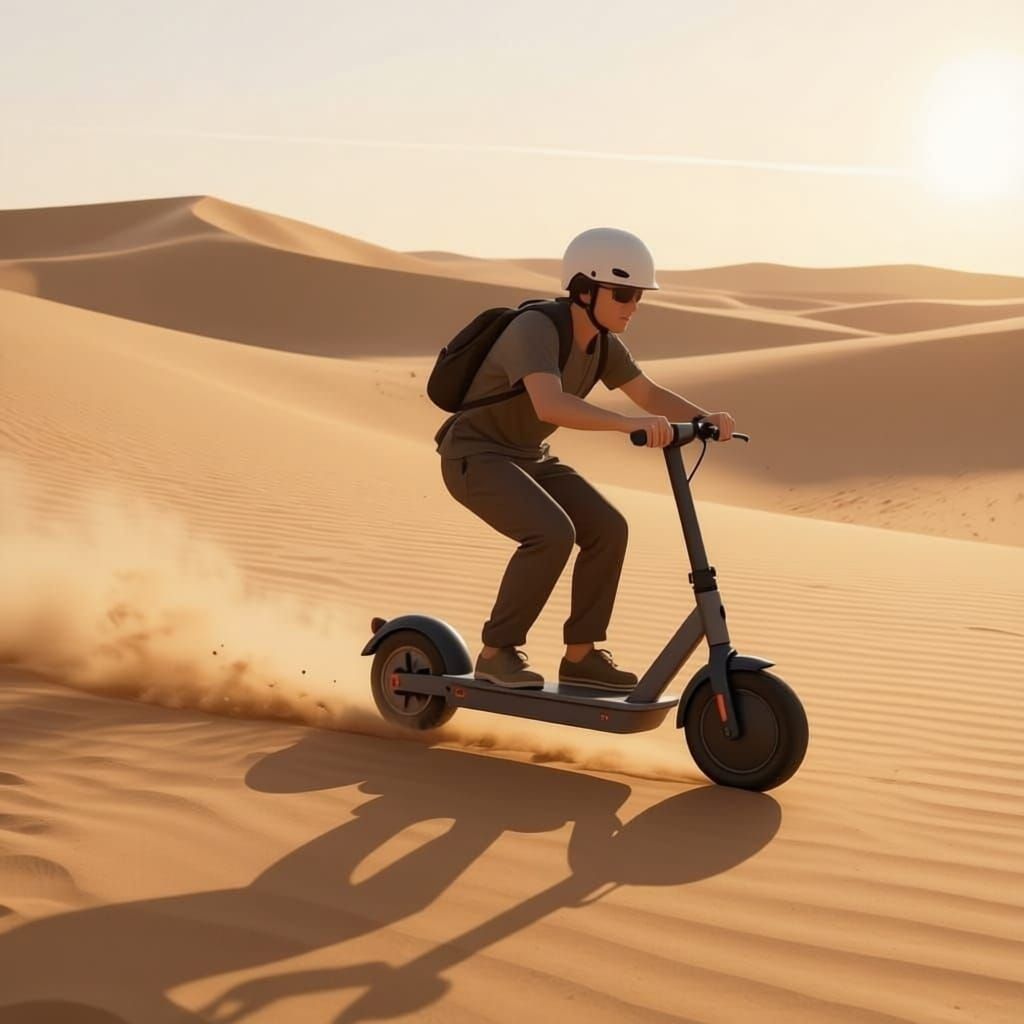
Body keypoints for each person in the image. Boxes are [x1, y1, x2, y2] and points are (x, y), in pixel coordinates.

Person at [434, 227, 735, 691]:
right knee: (551, 533)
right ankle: (497, 653)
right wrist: (624, 425)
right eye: (623, 293)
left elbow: (648, 392)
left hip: (528, 456)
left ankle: (581, 657)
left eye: (638, 296)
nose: (633, 305)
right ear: (584, 288)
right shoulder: (534, 329)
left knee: (608, 528)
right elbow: (549, 405)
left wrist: (704, 418)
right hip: (475, 455)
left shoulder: (603, 345)